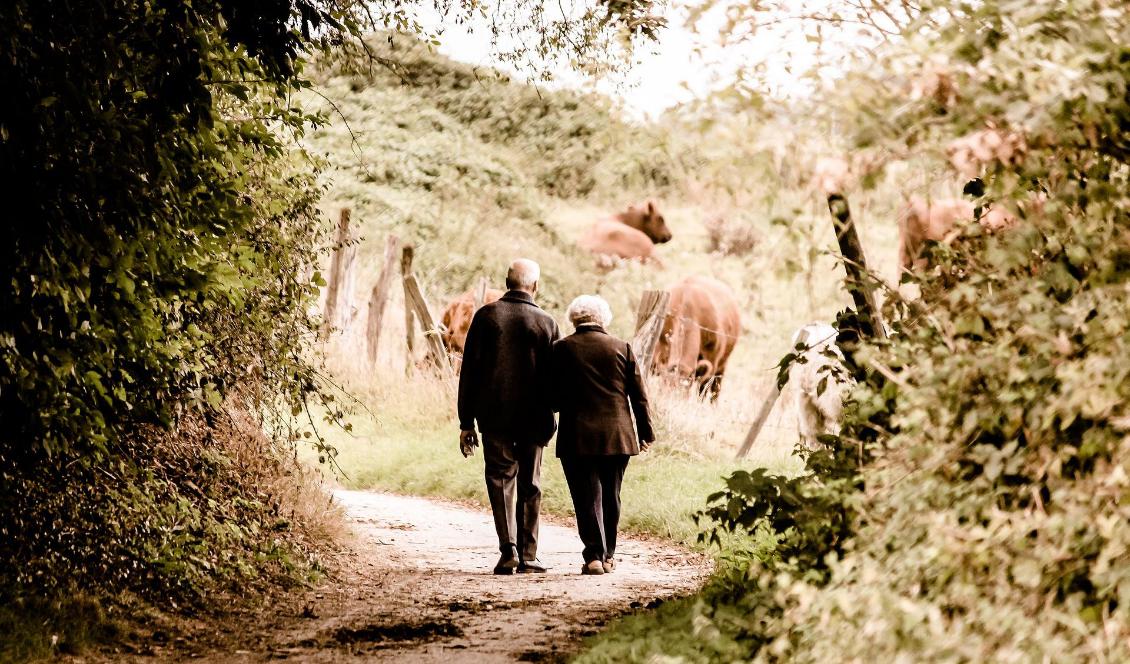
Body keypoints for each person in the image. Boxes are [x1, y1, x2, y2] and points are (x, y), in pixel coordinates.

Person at [457, 258, 561, 575]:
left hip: (494, 416)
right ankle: (530, 555)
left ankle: (508, 550)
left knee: (501, 480)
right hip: (535, 417)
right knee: (530, 483)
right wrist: (553, 410)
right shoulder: (546, 322)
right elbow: (556, 377)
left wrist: (466, 422)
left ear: (506, 282)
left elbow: (469, 373)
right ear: (536, 286)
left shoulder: (486, 317)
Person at [551, 295, 654, 575]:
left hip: (577, 436)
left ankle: (594, 556)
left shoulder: (561, 349)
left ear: (573, 318)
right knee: (611, 494)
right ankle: (608, 555)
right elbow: (639, 397)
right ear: (603, 318)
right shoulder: (622, 348)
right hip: (618, 435)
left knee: (586, 496)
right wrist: (645, 432)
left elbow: (552, 397)